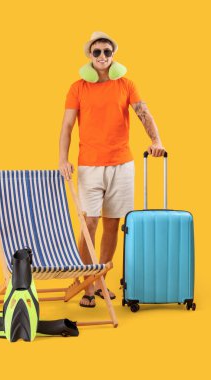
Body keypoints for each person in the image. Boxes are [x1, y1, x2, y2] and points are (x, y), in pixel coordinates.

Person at [59, 31, 165, 307]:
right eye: (97, 52)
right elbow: (67, 126)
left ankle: (102, 278)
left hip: (122, 164)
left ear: (113, 55)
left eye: (107, 51)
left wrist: (156, 140)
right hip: (90, 166)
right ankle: (87, 284)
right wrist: (63, 158)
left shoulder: (126, 85)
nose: (103, 56)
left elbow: (143, 112)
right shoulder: (77, 87)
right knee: (89, 223)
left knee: (112, 224)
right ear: (90, 56)